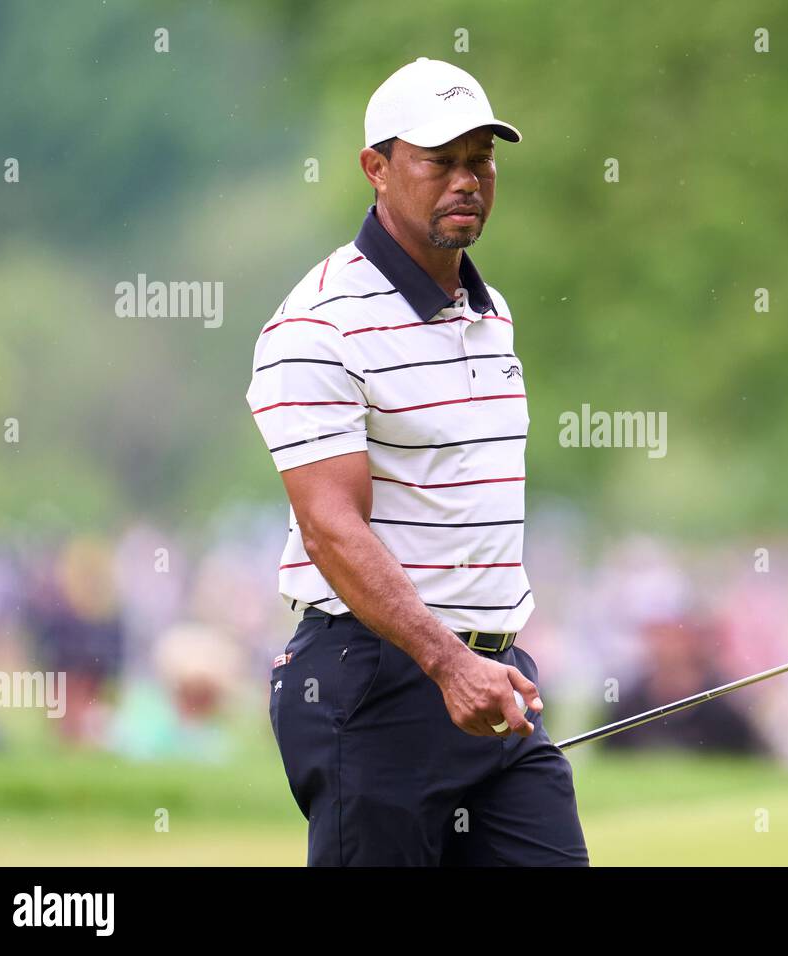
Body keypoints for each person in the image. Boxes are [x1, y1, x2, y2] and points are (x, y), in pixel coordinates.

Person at [245, 57, 587, 865]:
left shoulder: (488, 309)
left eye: (481, 160)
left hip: (492, 680)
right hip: (372, 683)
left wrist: (479, 665)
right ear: (378, 169)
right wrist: (445, 662)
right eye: (440, 162)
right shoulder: (320, 325)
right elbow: (331, 530)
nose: (466, 180)